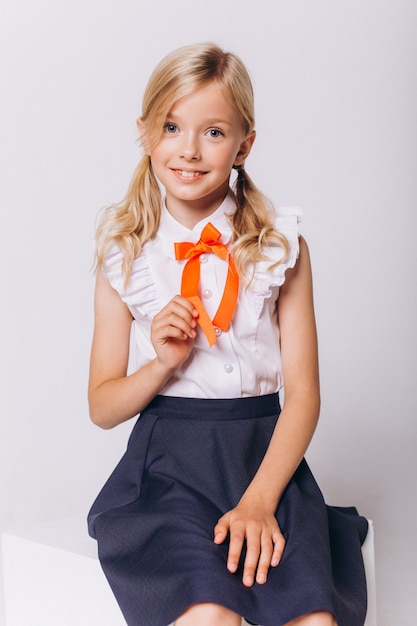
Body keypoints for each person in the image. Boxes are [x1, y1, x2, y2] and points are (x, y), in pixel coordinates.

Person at [87, 43, 368, 626]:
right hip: (169, 471)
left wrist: (261, 502)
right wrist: (161, 365)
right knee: (210, 613)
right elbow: (102, 407)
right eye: (171, 126)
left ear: (245, 144)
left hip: (266, 463)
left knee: (312, 619)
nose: (188, 150)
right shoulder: (126, 254)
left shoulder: (279, 248)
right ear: (145, 133)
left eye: (213, 132)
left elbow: (305, 394)